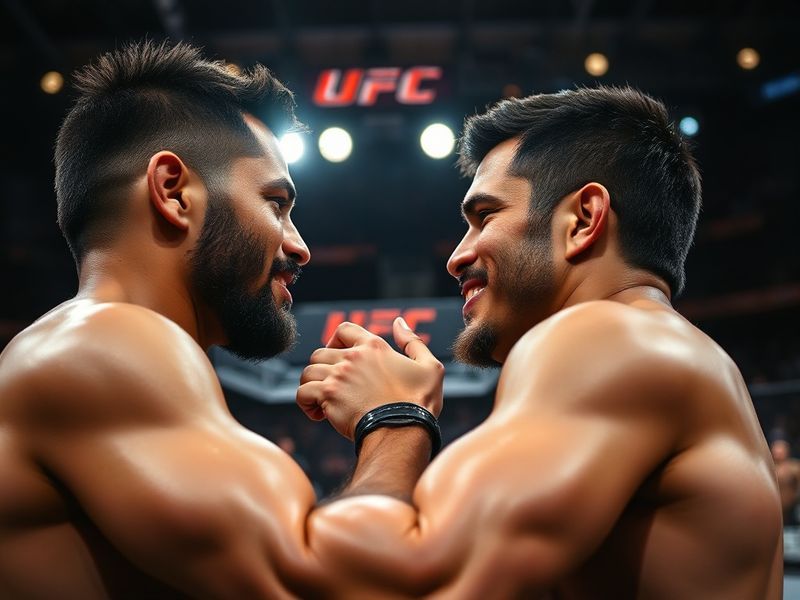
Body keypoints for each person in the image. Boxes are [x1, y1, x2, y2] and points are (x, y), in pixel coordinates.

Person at [0, 40, 446, 598]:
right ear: (173, 192)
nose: (299, 245)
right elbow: (333, 583)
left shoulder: (99, 349)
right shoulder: (102, 341)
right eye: (275, 203)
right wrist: (396, 417)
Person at [298, 86, 784, 597]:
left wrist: (393, 416)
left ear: (583, 220)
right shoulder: (665, 349)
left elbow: (386, 582)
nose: (457, 257)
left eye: (485, 216)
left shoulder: (608, 336)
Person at [772, 439, 800, 525]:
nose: (778, 452)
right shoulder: (768, 467)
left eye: (781, 449)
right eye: (776, 449)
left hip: (792, 507)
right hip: (774, 508)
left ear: (787, 450)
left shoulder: (794, 467)